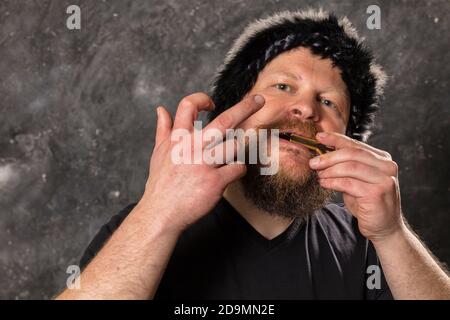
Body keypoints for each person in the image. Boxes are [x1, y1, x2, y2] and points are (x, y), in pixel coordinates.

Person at [57, 9, 450, 300]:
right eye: (283, 87)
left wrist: (391, 233)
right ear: (233, 111)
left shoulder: (365, 241)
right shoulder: (142, 227)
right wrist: (158, 213)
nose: (306, 110)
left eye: (329, 102)